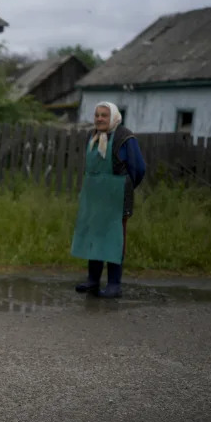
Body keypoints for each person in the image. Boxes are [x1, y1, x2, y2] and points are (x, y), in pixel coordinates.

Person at [71, 101, 146, 298]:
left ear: (114, 117)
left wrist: (123, 188)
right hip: (95, 196)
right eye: (97, 115)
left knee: (114, 238)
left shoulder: (125, 137)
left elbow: (138, 169)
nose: (99, 119)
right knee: (94, 236)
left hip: (117, 195)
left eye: (104, 115)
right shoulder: (92, 136)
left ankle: (114, 284)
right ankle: (92, 281)